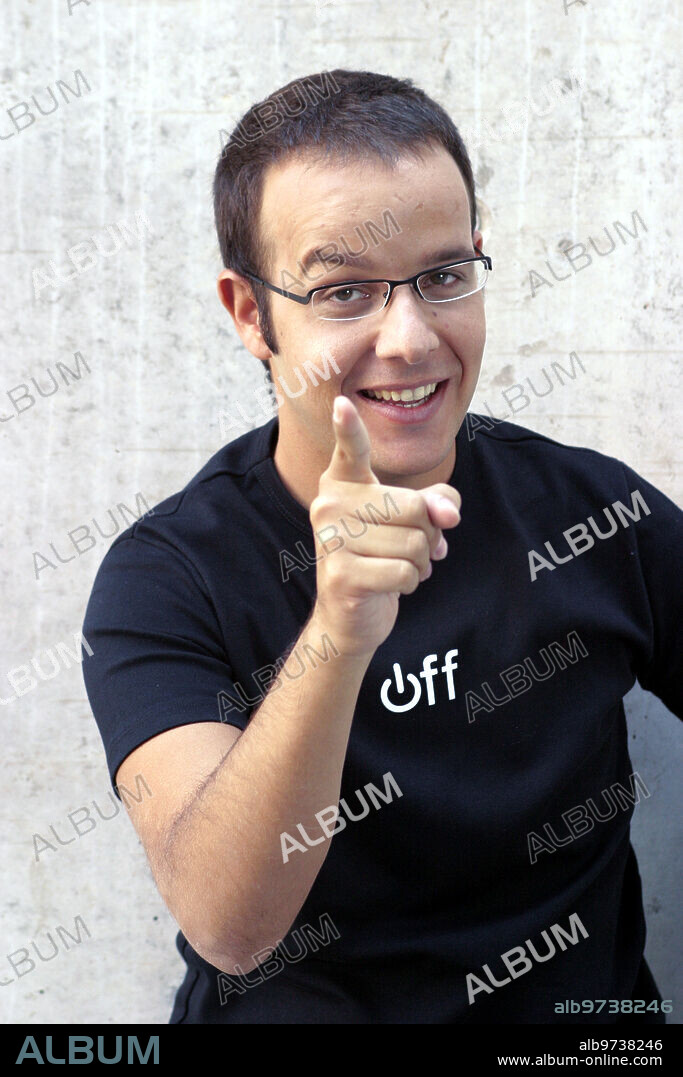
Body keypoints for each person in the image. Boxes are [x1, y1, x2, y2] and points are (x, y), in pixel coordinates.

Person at [82, 69, 682, 1024]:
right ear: (250, 314)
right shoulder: (170, 575)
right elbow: (228, 924)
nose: (407, 339)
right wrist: (339, 630)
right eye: (344, 291)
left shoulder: (593, 512)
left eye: (443, 276)